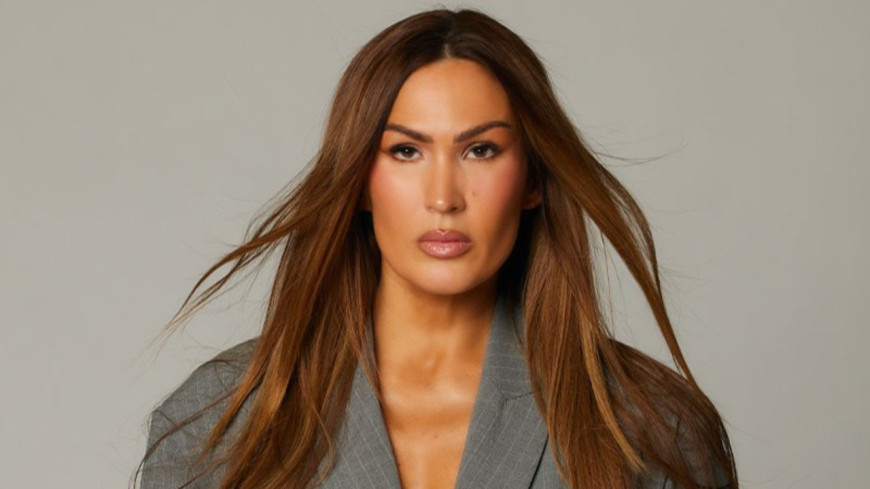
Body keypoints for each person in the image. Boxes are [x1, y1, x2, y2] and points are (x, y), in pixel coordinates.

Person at [137, 7, 737, 489]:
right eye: (406, 151)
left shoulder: (652, 427)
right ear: (360, 181)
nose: (444, 197)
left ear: (532, 179)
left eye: (481, 150)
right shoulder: (221, 422)